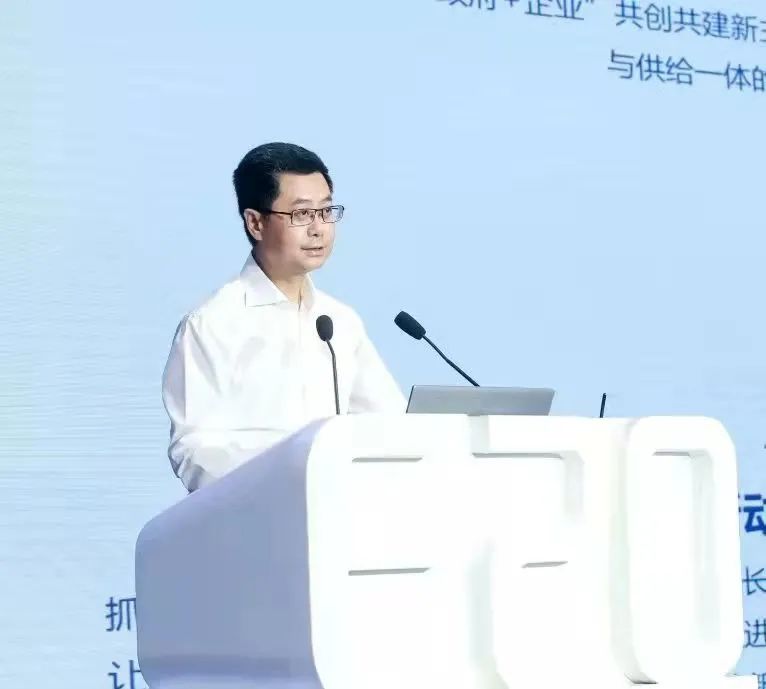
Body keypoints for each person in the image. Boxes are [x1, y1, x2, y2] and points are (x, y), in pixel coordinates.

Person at [161, 142, 405, 491]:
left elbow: (391, 424)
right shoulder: (211, 324)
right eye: (302, 214)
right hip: (255, 512)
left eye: (326, 211)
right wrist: (287, 479)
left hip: (339, 508)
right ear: (255, 223)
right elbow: (196, 451)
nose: (319, 228)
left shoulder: (339, 322)